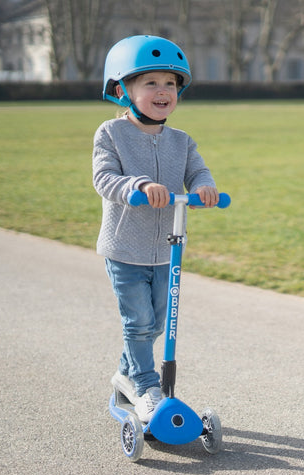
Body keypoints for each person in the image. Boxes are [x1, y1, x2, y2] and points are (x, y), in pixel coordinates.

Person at [93, 35, 220, 422]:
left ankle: (125, 374)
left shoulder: (181, 141)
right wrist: (140, 186)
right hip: (125, 249)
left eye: (170, 83)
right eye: (151, 83)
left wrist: (203, 186)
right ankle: (147, 387)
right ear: (122, 90)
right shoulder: (110, 134)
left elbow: (196, 169)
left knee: (157, 323)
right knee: (138, 322)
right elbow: (104, 178)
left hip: (167, 250)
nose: (163, 91)